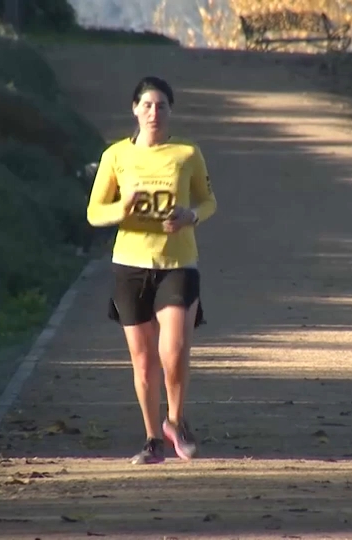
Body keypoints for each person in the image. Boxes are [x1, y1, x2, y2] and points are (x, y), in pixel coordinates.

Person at [87, 76, 217, 465]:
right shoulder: (115, 156)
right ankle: (151, 439)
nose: (154, 113)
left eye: (162, 106)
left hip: (178, 264)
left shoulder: (187, 153)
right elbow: (94, 213)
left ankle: (175, 422)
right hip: (130, 264)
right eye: (147, 105)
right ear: (134, 109)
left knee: (174, 350)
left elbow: (209, 201)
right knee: (143, 361)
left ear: (170, 111)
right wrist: (121, 209)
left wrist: (190, 215)